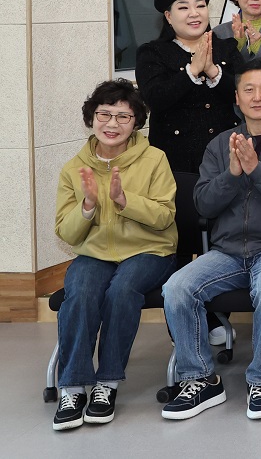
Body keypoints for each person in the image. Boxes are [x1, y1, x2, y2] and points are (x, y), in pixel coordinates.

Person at [160, 59, 261, 422]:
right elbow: (203, 204)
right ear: (237, 98)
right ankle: (200, 379)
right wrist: (232, 174)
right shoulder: (220, 145)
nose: (257, 96)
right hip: (228, 251)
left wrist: (256, 170)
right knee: (177, 287)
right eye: (249, 89)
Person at [51, 80, 177, 431]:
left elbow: (165, 216)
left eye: (123, 116)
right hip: (95, 252)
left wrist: (124, 201)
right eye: (104, 114)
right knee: (81, 292)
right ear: (91, 118)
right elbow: (67, 233)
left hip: (149, 249)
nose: (112, 123)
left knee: (122, 291)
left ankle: (106, 383)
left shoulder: (154, 159)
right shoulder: (74, 168)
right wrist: (88, 207)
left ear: (136, 123)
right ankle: (73, 386)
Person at [134, 0, 243, 274]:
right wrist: (192, 71)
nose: (194, 13)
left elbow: (244, 95)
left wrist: (214, 71)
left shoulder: (227, 48)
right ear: (169, 17)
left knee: (223, 241)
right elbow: (155, 99)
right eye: (183, 8)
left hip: (223, 160)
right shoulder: (153, 53)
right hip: (175, 163)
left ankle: (220, 302)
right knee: (178, 244)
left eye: (200, 6)